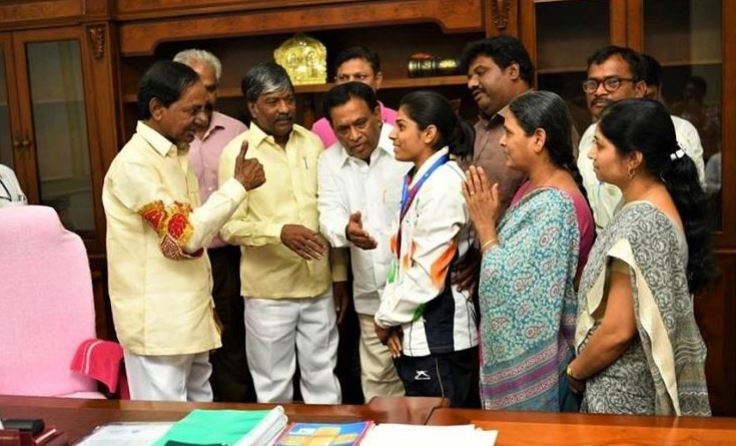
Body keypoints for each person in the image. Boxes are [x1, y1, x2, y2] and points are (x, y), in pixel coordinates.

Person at [102, 60, 265, 401]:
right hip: (158, 325)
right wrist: (237, 186)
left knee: (198, 421)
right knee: (162, 427)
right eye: (191, 110)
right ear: (157, 109)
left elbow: (188, 240)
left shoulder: (176, 155)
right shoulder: (135, 164)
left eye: (204, 109)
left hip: (191, 315)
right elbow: (185, 235)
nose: (201, 119)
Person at [568, 99, 712, 416]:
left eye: (600, 145)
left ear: (633, 159)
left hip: (625, 394)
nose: (591, 154)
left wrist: (576, 372)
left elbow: (618, 331)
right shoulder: (648, 203)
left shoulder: (644, 223)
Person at [218, 62, 344, 404]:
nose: (285, 108)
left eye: (289, 99)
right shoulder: (237, 152)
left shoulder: (313, 143)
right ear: (252, 106)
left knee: (324, 381)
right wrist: (278, 232)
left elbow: (328, 210)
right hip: (268, 293)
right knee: (274, 387)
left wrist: (339, 275)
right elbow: (228, 226)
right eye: (273, 102)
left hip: (317, 285)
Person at [463, 91, 594, 411]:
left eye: (508, 132)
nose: (502, 142)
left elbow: (514, 290)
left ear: (538, 139)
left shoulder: (554, 204)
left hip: (545, 374)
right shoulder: (533, 185)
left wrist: (485, 227)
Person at [373, 90, 478, 408]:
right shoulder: (418, 178)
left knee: (443, 433)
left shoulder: (444, 184)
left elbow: (427, 274)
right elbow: (401, 262)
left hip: (440, 339)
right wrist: (391, 318)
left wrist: (385, 319)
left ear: (429, 133)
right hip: (414, 332)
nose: (391, 133)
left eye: (401, 126)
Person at [318, 82, 409, 402]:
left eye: (360, 124)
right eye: (343, 129)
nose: (354, 136)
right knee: (379, 387)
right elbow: (327, 215)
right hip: (372, 299)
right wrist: (345, 231)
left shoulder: (406, 146)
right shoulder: (328, 161)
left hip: (419, 297)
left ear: (377, 114)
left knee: (425, 381)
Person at [172, 49, 255, 403]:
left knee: (231, 343)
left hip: (227, 257)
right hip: (181, 259)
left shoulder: (237, 131)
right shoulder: (171, 139)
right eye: (194, 88)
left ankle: (237, 419)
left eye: (210, 88)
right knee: (192, 346)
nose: (204, 97)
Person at [577, 46, 706, 230]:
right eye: (592, 84)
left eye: (612, 82)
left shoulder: (673, 132)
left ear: (639, 89)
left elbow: (687, 204)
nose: (599, 91)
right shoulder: (589, 134)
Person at [458, 36, 534, 212]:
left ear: (513, 71)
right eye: (469, 77)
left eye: (481, 72)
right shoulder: (474, 130)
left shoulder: (543, 120)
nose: (471, 84)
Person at [311, 46, 397, 148]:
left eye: (360, 77)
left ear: (378, 79)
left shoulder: (399, 121)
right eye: (343, 78)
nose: (351, 83)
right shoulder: (320, 128)